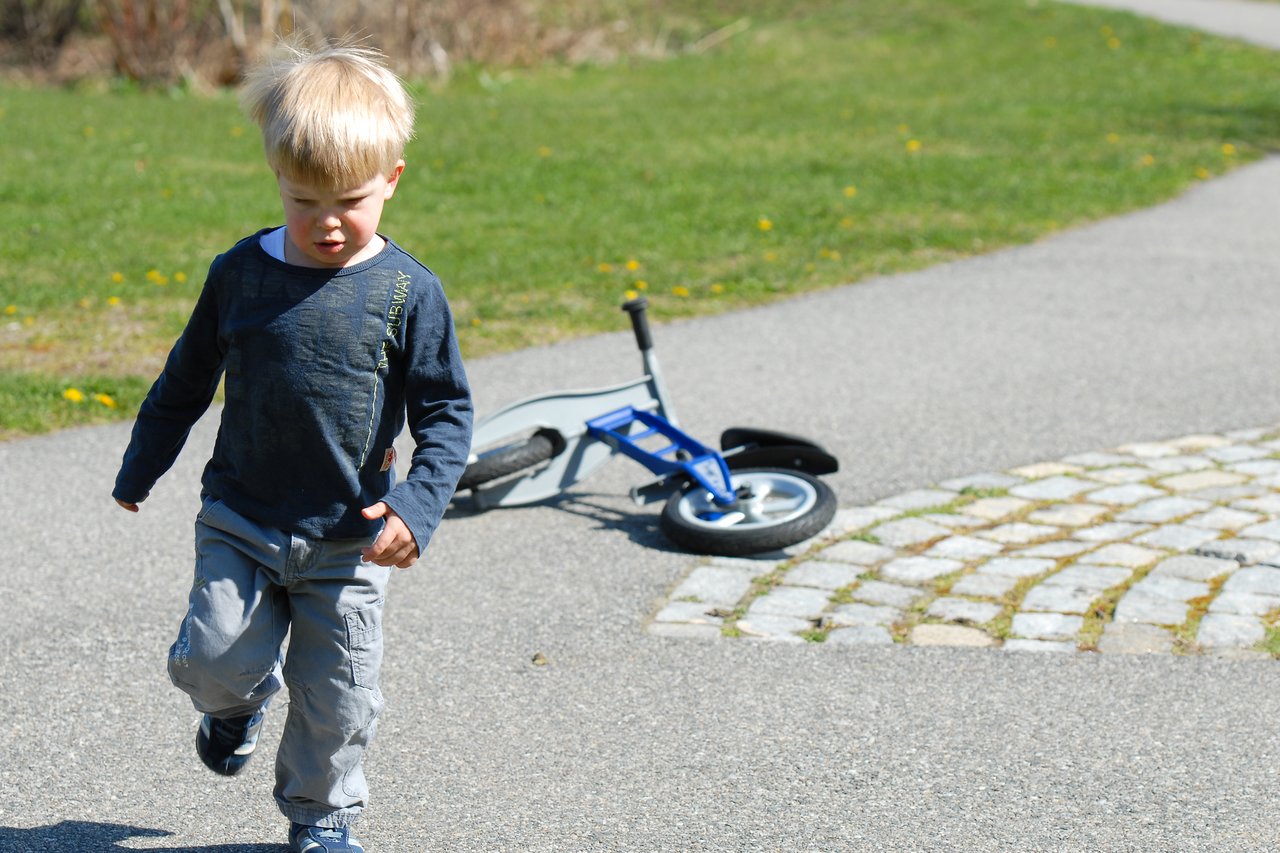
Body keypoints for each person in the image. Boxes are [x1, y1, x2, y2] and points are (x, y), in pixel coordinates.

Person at [112, 41, 473, 853]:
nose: (327, 223)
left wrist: (417, 506)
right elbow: (185, 380)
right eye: (303, 199)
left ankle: (323, 818)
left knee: (340, 695)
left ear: (392, 180)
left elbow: (447, 411)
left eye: (348, 199)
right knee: (210, 660)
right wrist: (142, 464)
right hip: (242, 516)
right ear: (276, 177)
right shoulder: (239, 275)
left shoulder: (407, 293)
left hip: (349, 539)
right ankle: (234, 704)